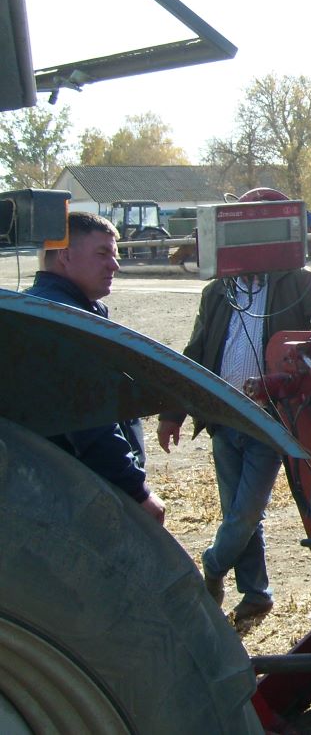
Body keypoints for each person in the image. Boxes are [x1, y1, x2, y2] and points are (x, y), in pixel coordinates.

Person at [156, 266, 311, 622]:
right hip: (224, 418)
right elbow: (197, 351)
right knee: (238, 512)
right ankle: (256, 593)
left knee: (245, 512)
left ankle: (213, 565)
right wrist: (173, 413)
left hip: (269, 420)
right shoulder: (218, 291)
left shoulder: (293, 281)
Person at [24, 211, 165, 524]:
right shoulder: (67, 322)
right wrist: (136, 491)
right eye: (102, 254)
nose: (114, 265)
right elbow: (91, 422)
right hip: (81, 497)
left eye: (114, 255)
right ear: (65, 256)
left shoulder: (38, 309)